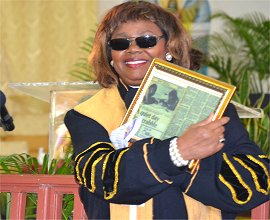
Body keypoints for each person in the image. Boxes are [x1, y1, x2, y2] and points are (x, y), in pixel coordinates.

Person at [64, 1, 269, 219]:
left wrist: (184, 159)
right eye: (120, 43)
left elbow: (257, 180)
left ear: (170, 47)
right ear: (110, 55)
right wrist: (177, 152)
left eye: (146, 40)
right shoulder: (88, 115)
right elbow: (102, 178)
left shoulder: (214, 106)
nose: (133, 49)